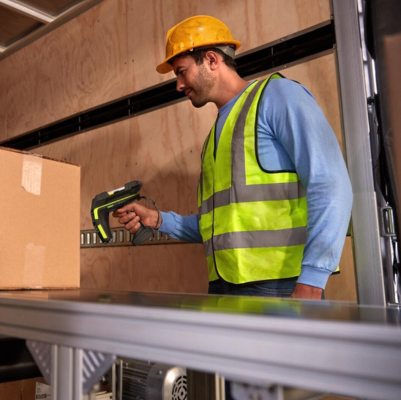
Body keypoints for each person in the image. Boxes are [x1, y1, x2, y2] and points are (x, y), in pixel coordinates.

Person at [112, 15, 353, 300]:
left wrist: (312, 281)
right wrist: (158, 219)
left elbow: (331, 185)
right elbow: (218, 227)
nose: (178, 85)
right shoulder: (216, 136)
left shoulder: (278, 96)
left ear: (212, 60)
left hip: (281, 288)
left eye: (181, 71)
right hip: (224, 288)